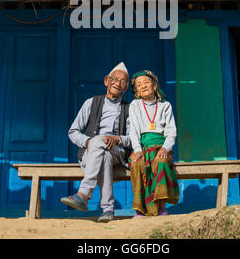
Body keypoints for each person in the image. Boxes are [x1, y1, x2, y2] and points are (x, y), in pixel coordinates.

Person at [60, 62, 131, 222]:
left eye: (123, 81)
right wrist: (89, 141)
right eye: (114, 79)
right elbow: (73, 132)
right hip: (90, 152)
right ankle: (108, 209)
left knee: (104, 148)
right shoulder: (90, 103)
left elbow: (132, 139)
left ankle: (83, 194)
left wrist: (116, 138)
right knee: (102, 154)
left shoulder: (129, 109)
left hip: (117, 152)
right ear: (107, 81)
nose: (117, 83)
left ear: (126, 87)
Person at [129, 70, 179, 217]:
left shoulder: (165, 106)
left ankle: (162, 208)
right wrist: (138, 150)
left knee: (161, 163)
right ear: (137, 90)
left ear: (154, 85)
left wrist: (165, 148)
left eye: (146, 82)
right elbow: (134, 131)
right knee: (137, 164)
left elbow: (171, 132)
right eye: (139, 84)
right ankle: (139, 209)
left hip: (161, 147)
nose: (143, 86)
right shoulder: (135, 105)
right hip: (143, 147)